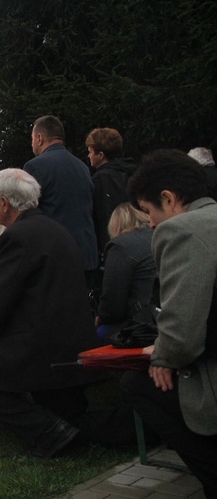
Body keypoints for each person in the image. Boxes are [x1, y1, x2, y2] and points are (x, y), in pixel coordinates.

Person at [0, 168, 100, 458]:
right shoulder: (55, 228)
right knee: (75, 420)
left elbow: (0, 301)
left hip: (42, 347)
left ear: (5, 203)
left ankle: (47, 432)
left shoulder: (18, 236)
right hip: (73, 340)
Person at [121, 149, 217, 496]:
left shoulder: (182, 229)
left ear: (169, 199)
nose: (149, 225)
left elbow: (181, 334)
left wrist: (163, 356)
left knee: (138, 384)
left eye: (148, 212)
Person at [24, 116, 98, 281]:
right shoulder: (82, 167)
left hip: (55, 258)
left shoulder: (35, 166)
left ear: (39, 138)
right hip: (87, 256)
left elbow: (27, 214)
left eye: (32, 139)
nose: (32, 144)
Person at [95, 203, 156, 342]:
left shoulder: (120, 246)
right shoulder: (157, 236)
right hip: (162, 317)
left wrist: (100, 317)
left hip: (142, 324)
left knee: (100, 333)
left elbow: (112, 304)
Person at [85, 128, 137, 257]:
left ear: (101, 155)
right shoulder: (132, 172)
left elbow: (103, 214)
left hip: (113, 244)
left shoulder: (100, 179)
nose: (88, 156)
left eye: (90, 152)